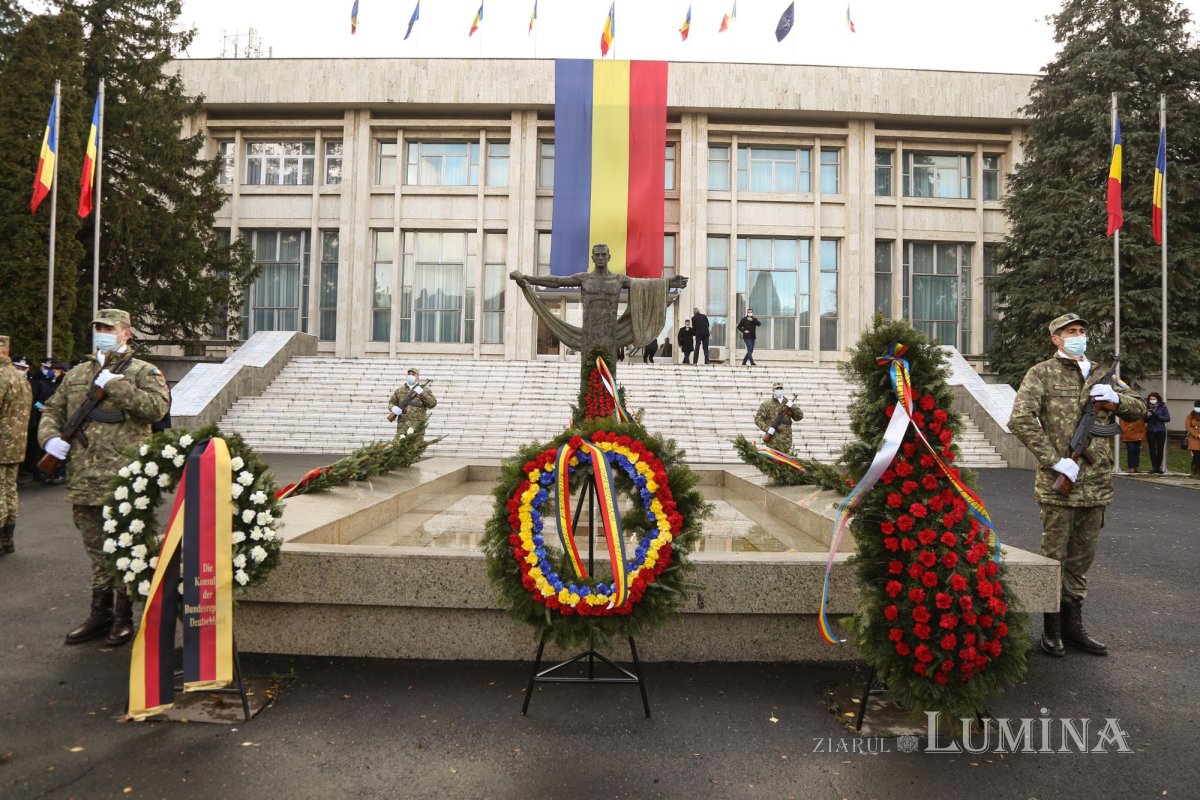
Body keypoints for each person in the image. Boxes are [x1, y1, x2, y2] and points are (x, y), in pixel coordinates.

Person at [1009, 313, 1146, 659]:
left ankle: (1074, 628)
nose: (1079, 336)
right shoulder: (1041, 373)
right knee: (1055, 558)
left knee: (1081, 561)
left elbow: (1139, 408)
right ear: (1056, 339)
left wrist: (1116, 400)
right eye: (1072, 332)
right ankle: (1051, 630)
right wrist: (1054, 461)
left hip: (1096, 484)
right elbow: (1020, 419)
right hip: (1060, 484)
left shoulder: (1104, 373)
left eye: (1083, 331)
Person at [39, 310, 169, 645]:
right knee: (96, 549)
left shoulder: (143, 371)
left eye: (107, 328)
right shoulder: (78, 373)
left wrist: (117, 386)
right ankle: (100, 613)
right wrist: (49, 439)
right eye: (97, 327)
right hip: (84, 477)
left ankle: (124, 616)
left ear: (126, 333)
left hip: (126, 479)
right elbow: (53, 409)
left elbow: (157, 409)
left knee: (125, 545)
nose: (101, 332)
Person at [1, 336, 32, 556]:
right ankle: (7, 539)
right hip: (17, 443)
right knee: (9, 490)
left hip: (1, 443)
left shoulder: (1, 377)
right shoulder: (21, 378)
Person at [754, 381, 803, 454]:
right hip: (773, 440)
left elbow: (799, 417)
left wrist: (793, 407)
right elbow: (758, 419)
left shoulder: (789, 404)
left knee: (785, 463)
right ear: (773, 390)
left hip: (786, 440)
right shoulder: (766, 405)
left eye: (781, 388)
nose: (779, 390)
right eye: (777, 389)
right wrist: (768, 429)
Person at [388, 367, 437, 433]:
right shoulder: (399, 390)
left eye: (413, 374)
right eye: (409, 374)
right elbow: (391, 403)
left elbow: (432, 404)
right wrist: (393, 408)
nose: (411, 376)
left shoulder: (424, 390)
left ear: (417, 377)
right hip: (402, 428)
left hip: (417, 429)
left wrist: (422, 393)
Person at [1144, 391, 1170, 474]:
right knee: (1152, 449)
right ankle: (1154, 467)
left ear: (1158, 399)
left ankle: (1158, 467)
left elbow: (1167, 418)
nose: (1152, 400)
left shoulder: (1162, 406)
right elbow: (1144, 419)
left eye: (1154, 399)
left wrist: (1157, 416)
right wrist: (1148, 416)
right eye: (1151, 399)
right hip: (1150, 430)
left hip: (1160, 430)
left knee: (1160, 449)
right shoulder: (1147, 407)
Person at [1186, 400, 1200, 479]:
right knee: (1197, 455)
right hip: (1193, 438)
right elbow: (1188, 426)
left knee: (1196, 457)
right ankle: (1197, 471)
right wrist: (1196, 434)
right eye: (1197, 406)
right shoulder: (1190, 415)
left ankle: (1194, 470)